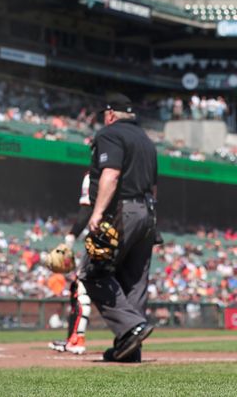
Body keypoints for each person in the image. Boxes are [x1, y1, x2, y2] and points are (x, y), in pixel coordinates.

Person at [79, 93, 158, 363]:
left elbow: (111, 175)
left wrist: (98, 213)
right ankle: (129, 349)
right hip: (148, 212)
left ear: (110, 114)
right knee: (134, 281)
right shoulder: (147, 140)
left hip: (123, 210)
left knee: (92, 272)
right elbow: (155, 186)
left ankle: (131, 327)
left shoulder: (110, 134)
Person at [48, 172, 92, 355]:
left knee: (80, 289)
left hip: (104, 241)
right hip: (130, 232)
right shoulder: (126, 171)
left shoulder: (96, 173)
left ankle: (76, 340)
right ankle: (128, 337)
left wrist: (70, 238)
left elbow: (86, 212)